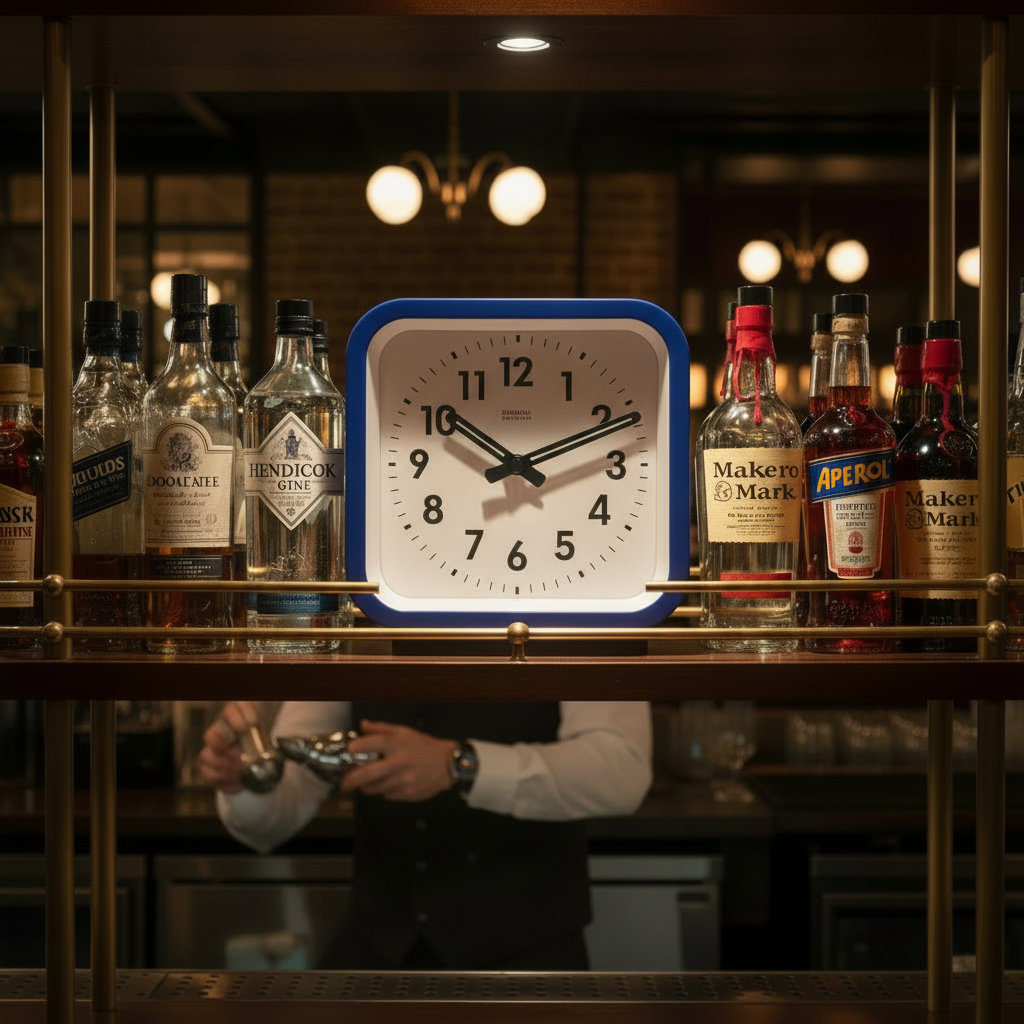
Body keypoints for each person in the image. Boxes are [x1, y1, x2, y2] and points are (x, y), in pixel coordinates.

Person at [200, 699, 652, 971]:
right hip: (378, 949)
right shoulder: (356, 605)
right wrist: (247, 783)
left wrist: (461, 765)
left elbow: (622, 768)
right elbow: (281, 809)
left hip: (528, 957)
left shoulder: (575, 598)